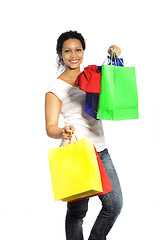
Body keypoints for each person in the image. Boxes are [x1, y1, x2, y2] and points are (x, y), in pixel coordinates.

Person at [45, 30, 123, 240]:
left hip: (100, 149)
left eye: (78, 49)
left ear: (83, 51)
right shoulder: (55, 88)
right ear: (60, 54)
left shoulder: (92, 76)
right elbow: (50, 127)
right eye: (67, 50)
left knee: (114, 205)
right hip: (77, 152)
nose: (73, 55)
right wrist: (62, 131)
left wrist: (113, 53)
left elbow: (112, 75)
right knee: (78, 211)